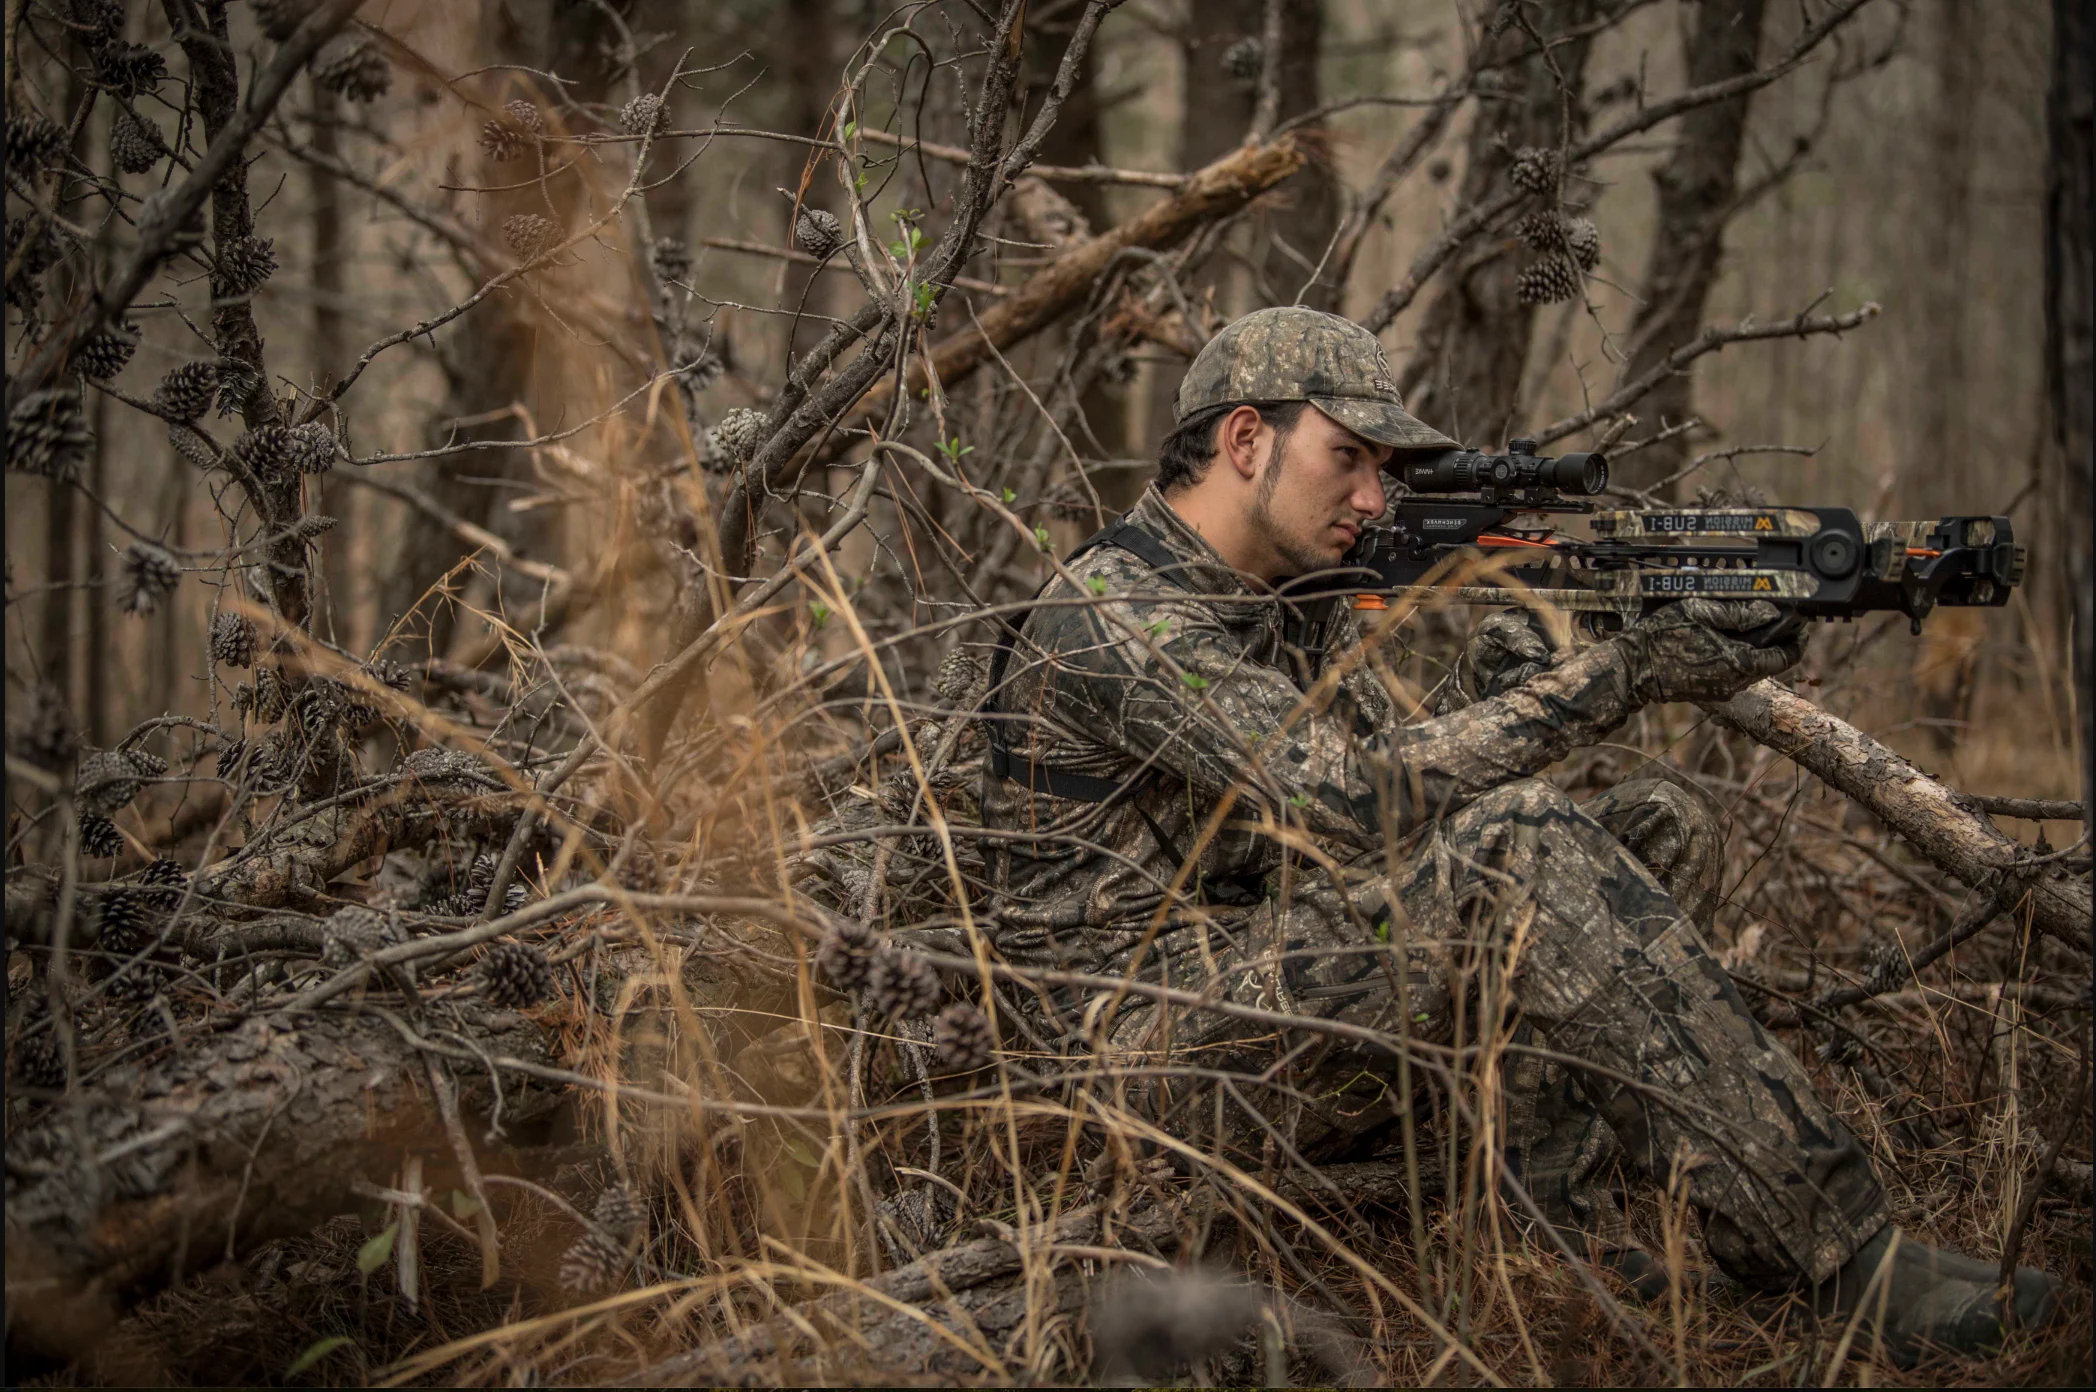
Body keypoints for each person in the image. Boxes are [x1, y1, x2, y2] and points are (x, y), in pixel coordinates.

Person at [975, 306, 2057, 1364]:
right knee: (1519, 843)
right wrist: (1622, 674)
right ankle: (1842, 1257)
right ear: (1244, 439)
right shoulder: (1119, 611)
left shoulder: (1276, 599)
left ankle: (1551, 1229)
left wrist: (1522, 659)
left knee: (1652, 824)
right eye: (1347, 456)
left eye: (1380, 466)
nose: (1371, 493)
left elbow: (1374, 813)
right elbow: (1350, 802)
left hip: (1237, 989)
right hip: (1120, 1067)